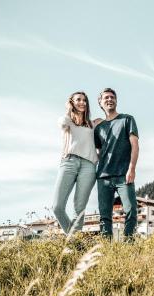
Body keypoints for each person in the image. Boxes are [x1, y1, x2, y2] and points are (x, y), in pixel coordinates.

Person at [94, 88, 139, 239]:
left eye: (112, 97)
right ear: (100, 103)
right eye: (106, 97)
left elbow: (135, 145)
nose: (109, 99)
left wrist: (131, 168)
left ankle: (129, 244)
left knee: (131, 210)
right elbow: (99, 152)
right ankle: (106, 248)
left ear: (116, 100)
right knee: (104, 216)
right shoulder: (99, 128)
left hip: (123, 174)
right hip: (103, 177)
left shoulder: (127, 119)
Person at [53, 91, 100, 235]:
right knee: (57, 207)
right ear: (71, 102)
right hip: (69, 162)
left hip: (89, 166)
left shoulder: (93, 124)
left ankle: (74, 245)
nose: (82, 102)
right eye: (78, 100)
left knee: (79, 209)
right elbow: (62, 122)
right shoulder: (67, 121)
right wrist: (69, 110)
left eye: (84, 100)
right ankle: (75, 239)